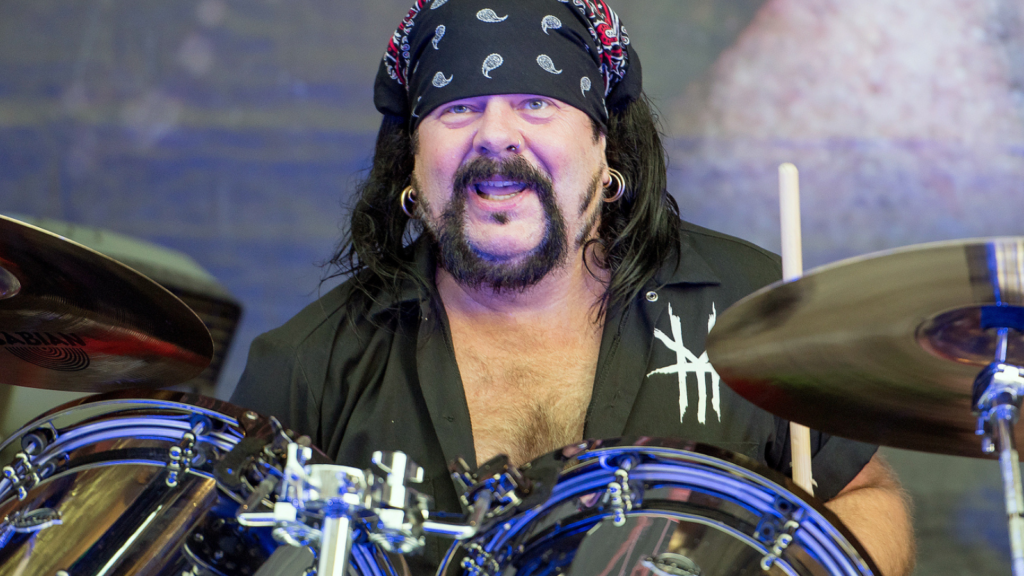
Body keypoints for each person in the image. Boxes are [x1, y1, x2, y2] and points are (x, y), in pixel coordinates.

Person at [231, 0, 915, 574]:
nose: (496, 135)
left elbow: (867, 501)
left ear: (603, 149)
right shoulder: (311, 365)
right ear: (412, 163)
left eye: (536, 103)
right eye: (458, 108)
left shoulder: (750, 304)